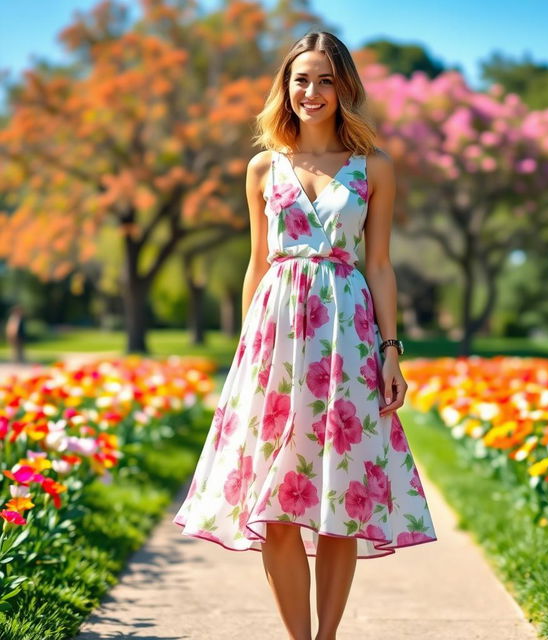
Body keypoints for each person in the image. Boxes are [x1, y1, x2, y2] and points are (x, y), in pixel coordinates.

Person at [173, 30, 437, 640]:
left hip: (348, 340)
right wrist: (246, 358)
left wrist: (391, 354)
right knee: (277, 498)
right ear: (285, 88)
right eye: (301, 79)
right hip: (276, 342)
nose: (311, 92)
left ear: (345, 88)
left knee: (339, 500)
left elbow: (379, 266)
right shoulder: (263, 167)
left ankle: (327, 637)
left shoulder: (376, 170)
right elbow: (257, 262)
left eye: (324, 80)